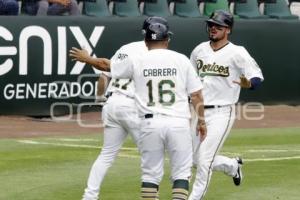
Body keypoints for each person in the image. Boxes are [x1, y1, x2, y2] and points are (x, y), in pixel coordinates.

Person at [70, 22, 207, 200]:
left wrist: (88, 59)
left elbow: (105, 67)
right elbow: (196, 95)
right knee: (181, 174)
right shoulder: (181, 59)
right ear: (167, 40)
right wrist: (202, 121)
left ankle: (89, 195)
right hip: (177, 121)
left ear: (146, 39)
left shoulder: (137, 59)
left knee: (150, 175)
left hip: (147, 122)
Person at [188, 10, 264, 200]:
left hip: (221, 112)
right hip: (198, 110)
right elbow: (190, 79)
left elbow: (257, 77)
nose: (213, 28)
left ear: (228, 30)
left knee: (204, 160)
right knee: (193, 160)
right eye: (211, 24)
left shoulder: (237, 52)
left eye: (218, 26)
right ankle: (232, 166)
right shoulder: (199, 50)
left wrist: (249, 84)